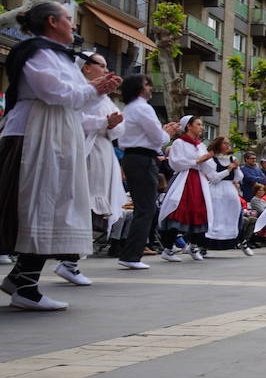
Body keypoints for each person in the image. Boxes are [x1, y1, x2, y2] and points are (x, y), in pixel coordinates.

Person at [0, 1, 122, 309]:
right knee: (41, 205)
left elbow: (75, 100)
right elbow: (54, 93)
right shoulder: (36, 52)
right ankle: (26, 286)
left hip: (55, 135)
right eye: (68, 18)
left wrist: (98, 89)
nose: (73, 24)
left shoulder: (57, 55)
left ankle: (21, 278)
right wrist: (95, 88)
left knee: (53, 204)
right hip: (35, 136)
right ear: (52, 21)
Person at [56, 50, 126, 287]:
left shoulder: (103, 97)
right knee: (85, 206)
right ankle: (68, 260)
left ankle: (71, 261)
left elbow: (118, 128)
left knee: (99, 210)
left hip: (103, 153)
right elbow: (74, 119)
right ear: (86, 67)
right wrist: (104, 122)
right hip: (86, 152)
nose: (106, 70)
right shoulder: (78, 90)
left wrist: (112, 124)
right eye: (101, 65)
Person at [113, 74, 178, 270]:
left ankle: (132, 253)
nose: (150, 88)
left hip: (134, 158)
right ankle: (131, 255)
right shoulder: (143, 108)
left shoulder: (130, 108)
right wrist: (167, 133)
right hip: (142, 158)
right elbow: (158, 138)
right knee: (146, 208)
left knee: (143, 207)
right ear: (139, 88)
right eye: (147, 84)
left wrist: (162, 133)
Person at [155, 115, 213, 261]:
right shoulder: (179, 143)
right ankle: (168, 249)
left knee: (199, 212)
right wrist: (198, 160)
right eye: (198, 124)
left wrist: (206, 160)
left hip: (198, 181)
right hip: (184, 180)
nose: (201, 127)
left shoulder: (200, 145)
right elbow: (176, 163)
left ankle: (193, 246)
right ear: (189, 126)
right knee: (177, 211)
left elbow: (208, 166)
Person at [204, 135, 249, 256]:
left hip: (230, 192)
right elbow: (214, 178)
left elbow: (239, 177)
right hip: (216, 192)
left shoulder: (232, 158)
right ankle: (204, 245)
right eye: (225, 143)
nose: (228, 146)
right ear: (218, 145)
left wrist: (236, 168)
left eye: (228, 143)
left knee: (232, 217)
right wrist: (228, 170)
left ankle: (239, 242)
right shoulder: (211, 159)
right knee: (215, 219)